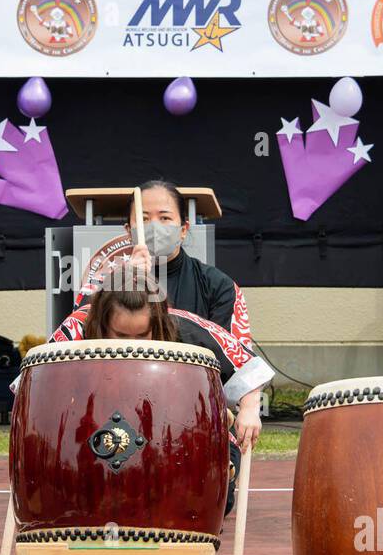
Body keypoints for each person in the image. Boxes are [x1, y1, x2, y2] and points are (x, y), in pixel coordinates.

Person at [52, 262, 274, 513]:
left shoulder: (185, 327)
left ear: (156, 323)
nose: (132, 346)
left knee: (201, 505)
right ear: (102, 324)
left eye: (141, 335)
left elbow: (247, 367)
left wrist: (250, 409)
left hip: (175, 438)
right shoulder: (76, 330)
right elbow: (36, 385)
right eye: (121, 336)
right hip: (102, 437)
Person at [77, 180, 262, 449]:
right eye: (143, 219)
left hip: (192, 422)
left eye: (164, 218)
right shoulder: (102, 287)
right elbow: (77, 343)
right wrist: (127, 279)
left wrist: (250, 407)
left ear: (184, 229)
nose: (154, 227)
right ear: (129, 231)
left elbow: (238, 359)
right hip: (113, 420)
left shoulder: (217, 286)